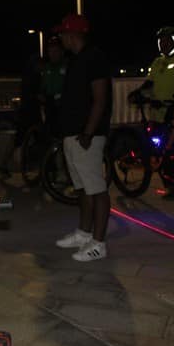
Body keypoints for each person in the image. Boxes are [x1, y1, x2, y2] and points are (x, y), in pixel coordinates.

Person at [53, 13, 112, 262]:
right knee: (82, 188)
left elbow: (100, 99)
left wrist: (88, 132)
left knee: (96, 189)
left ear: (72, 34)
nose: (60, 38)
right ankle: (83, 233)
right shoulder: (76, 60)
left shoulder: (94, 58)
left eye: (62, 34)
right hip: (72, 135)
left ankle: (99, 243)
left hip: (87, 135)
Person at [127, 26, 174, 200]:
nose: (163, 44)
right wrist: (139, 92)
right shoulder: (157, 62)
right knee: (160, 152)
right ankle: (170, 186)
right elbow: (150, 83)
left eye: (167, 41)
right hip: (158, 113)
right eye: (161, 41)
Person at [38, 32, 67, 137]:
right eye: (50, 51)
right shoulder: (46, 68)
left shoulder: (68, 66)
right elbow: (43, 86)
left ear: (61, 52)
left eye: (55, 51)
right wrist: (41, 94)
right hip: (50, 105)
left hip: (64, 105)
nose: (53, 54)